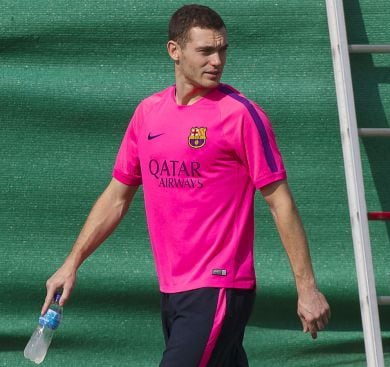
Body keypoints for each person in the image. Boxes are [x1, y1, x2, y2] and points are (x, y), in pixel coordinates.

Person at [41, 4, 330, 366]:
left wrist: (307, 289)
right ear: (174, 51)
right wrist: (71, 264)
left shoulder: (241, 115)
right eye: (205, 51)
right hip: (173, 289)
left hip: (219, 285)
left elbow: (280, 203)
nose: (217, 60)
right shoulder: (148, 112)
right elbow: (117, 196)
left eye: (222, 50)